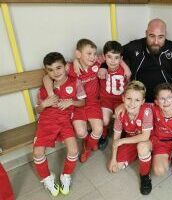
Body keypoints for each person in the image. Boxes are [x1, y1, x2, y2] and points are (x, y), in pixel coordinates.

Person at [33, 52, 86, 196]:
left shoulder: (75, 82)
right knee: (37, 152)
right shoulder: (44, 87)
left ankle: (66, 175)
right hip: (46, 121)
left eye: (58, 68)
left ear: (65, 67)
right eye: (50, 69)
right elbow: (38, 109)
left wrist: (72, 102)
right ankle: (47, 178)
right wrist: (44, 104)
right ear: (46, 71)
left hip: (64, 121)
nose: (55, 72)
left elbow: (83, 102)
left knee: (74, 150)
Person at [43, 39, 103, 163]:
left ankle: (87, 147)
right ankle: (89, 141)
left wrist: (105, 68)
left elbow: (113, 54)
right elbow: (46, 77)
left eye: (94, 53)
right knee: (81, 132)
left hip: (93, 103)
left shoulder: (97, 63)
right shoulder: (69, 67)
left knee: (98, 130)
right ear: (78, 54)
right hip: (77, 105)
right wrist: (50, 94)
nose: (92, 57)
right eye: (89, 53)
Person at [107, 81, 153, 195]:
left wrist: (122, 141)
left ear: (142, 102)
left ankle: (145, 176)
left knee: (142, 147)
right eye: (129, 98)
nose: (132, 103)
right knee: (114, 168)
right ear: (123, 98)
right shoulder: (120, 113)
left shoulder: (146, 111)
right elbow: (116, 138)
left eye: (137, 100)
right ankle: (137, 154)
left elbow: (145, 136)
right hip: (132, 139)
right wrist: (112, 159)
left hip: (149, 140)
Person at [98, 41, 128, 150]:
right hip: (106, 100)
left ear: (121, 59)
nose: (113, 61)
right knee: (105, 120)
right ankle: (104, 134)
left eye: (116, 58)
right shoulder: (101, 68)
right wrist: (102, 65)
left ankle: (123, 137)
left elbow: (128, 75)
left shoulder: (124, 69)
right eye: (109, 57)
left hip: (120, 101)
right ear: (104, 57)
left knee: (122, 117)